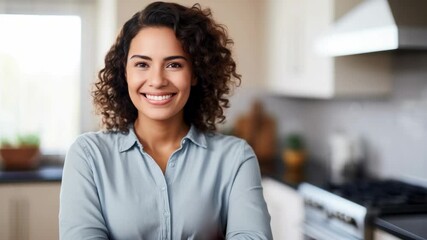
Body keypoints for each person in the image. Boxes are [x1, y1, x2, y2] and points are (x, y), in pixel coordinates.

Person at [59, 1, 272, 240]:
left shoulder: (235, 158)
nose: (157, 80)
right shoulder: (88, 155)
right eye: (142, 64)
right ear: (125, 72)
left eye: (174, 64)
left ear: (195, 73)